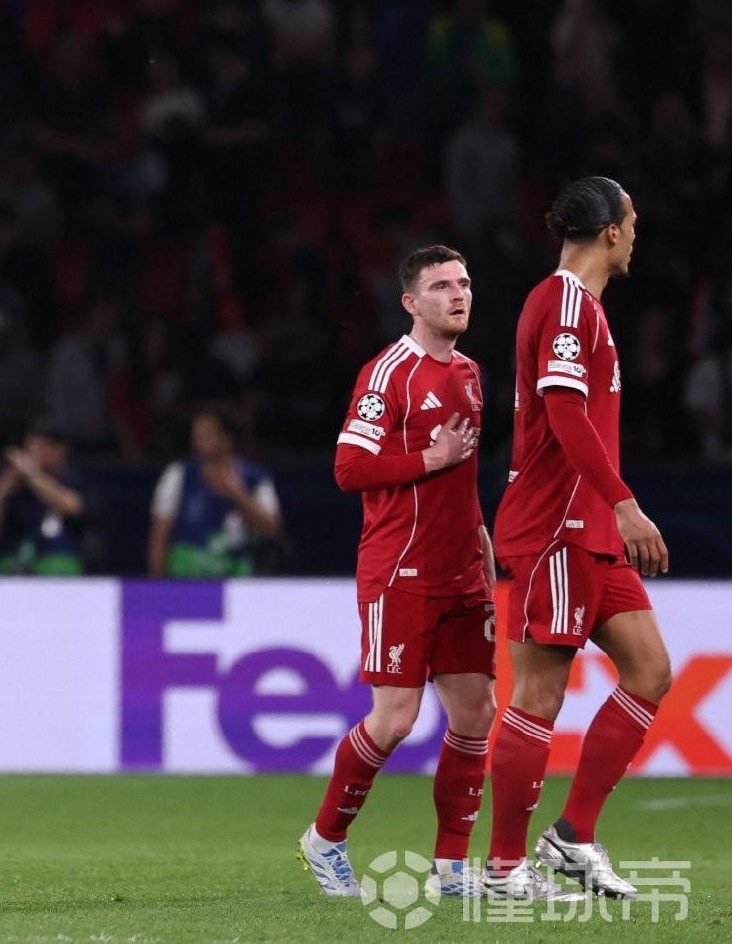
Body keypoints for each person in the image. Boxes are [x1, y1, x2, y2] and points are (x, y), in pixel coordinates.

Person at [297, 246, 504, 902]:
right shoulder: (388, 373)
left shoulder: (470, 372)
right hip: (401, 570)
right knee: (394, 719)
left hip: (463, 572)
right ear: (411, 302)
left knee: (476, 714)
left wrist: (482, 543)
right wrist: (428, 457)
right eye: (441, 286)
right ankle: (325, 838)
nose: (458, 293)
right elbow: (348, 469)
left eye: (464, 282)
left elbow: (464, 478)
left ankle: (452, 869)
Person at [487, 178, 671, 900]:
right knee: (539, 693)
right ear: (612, 232)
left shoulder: (584, 308)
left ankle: (573, 837)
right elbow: (564, 412)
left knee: (650, 670)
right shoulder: (564, 301)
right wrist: (625, 504)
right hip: (555, 527)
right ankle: (505, 868)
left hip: (587, 528)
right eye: (634, 222)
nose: (636, 236)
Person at [147, 408, 282, 577]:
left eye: (206, 435)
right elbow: (159, 535)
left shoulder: (256, 478)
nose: (198, 442)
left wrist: (238, 497)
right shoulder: (178, 474)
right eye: (196, 435)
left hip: (238, 581)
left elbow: (272, 528)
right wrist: (157, 584)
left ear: (226, 439)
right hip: (186, 580)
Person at [0, 425, 93, 574]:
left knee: (59, 565)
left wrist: (31, 473)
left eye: (42, 446)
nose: (34, 453)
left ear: (61, 450)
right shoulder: (15, 485)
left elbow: (72, 507)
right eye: (30, 447)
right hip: (15, 562)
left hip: (58, 562)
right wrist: (1, 491)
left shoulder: (73, 481)